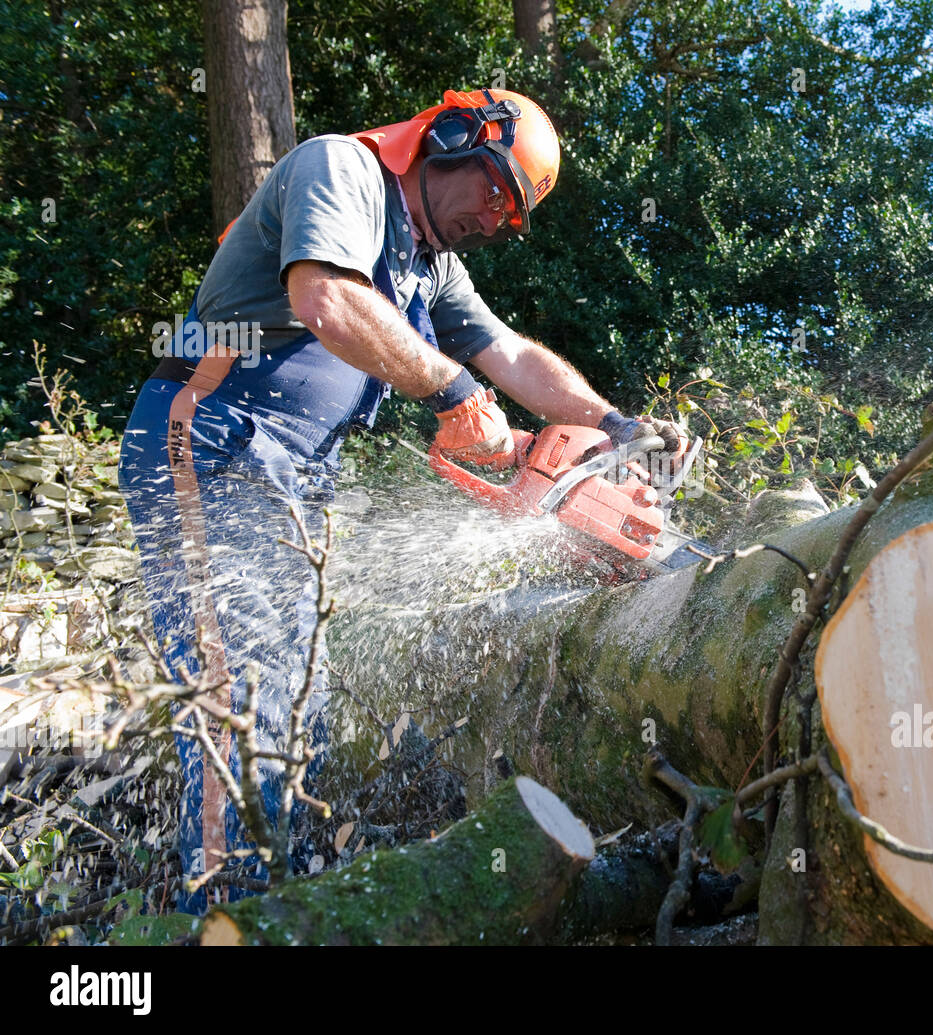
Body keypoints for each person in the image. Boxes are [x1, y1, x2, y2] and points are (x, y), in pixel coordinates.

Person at [118, 88, 680, 912]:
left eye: (511, 213)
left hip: (296, 474)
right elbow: (326, 299)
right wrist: (452, 391)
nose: (494, 220)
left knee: (289, 683)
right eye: (495, 191)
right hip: (210, 434)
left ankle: (276, 894)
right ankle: (221, 912)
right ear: (452, 138)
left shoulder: (431, 264)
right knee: (235, 683)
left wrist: (616, 423)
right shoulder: (338, 168)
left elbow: (514, 355)